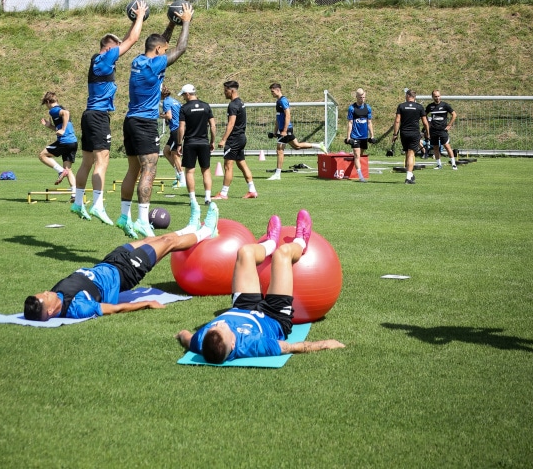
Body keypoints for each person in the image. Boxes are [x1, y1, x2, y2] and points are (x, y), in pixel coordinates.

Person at [176, 209, 345, 362]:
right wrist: (326, 344)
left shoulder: (201, 340)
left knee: (244, 252)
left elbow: (187, 338)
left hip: (242, 307)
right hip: (274, 316)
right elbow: (292, 347)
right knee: (283, 254)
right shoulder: (253, 345)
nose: (218, 324)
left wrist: (181, 334)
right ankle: (301, 242)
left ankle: (270, 243)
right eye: (222, 327)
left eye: (214, 326)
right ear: (233, 343)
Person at [24, 203, 219, 321]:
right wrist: (146, 304)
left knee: (150, 240)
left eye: (43, 292)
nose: (47, 292)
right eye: (45, 297)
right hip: (124, 274)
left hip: (109, 262)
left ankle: (190, 228)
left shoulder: (55, 294)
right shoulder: (78, 308)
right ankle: (206, 231)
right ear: (50, 310)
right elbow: (114, 308)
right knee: (167, 244)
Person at [118, 3, 193, 240]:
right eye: (163, 49)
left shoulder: (139, 61)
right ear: (159, 50)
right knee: (149, 169)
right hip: (145, 122)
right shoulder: (155, 64)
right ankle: (142, 220)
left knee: (133, 170)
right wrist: (187, 21)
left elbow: (163, 45)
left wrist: (172, 23)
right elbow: (181, 48)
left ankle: (124, 216)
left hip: (129, 120)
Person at [72, 4, 147, 226]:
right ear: (108, 48)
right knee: (101, 161)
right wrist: (141, 16)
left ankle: (78, 202)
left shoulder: (100, 60)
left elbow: (124, 42)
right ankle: (97, 204)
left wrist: (133, 22)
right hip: (98, 116)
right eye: (116, 49)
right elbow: (131, 41)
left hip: (89, 115)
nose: (119, 53)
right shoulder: (104, 59)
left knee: (86, 162)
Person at [267, 83, 325, 181]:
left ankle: (277, 174)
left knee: (280, 150)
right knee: (297, 146)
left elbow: (288, 115)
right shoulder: (278, 101)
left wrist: (284, 130)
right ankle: (318, 145)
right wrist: (275, 132)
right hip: (282, 130)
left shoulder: (283, 100)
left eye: (272, 91)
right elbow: (278, 118)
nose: (271, 93)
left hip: (286, 130)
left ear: (277, 90)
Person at [176, 84, 216, 223]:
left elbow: (182, 127)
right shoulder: (206, 106)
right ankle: (207, 197)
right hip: (204, 142)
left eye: (183, 95)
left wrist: (179, 143)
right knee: (206, 171)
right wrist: (212, 141)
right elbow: (213, 125)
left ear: (188, 94)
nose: (183, 98)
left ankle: (193, 199)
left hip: (190, 143)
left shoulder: (184, 108)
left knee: (190, 172)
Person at [214, 80, 258, 200]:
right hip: (241, 137)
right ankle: (252, 190)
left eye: (225, 90)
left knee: (228, 166)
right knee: (241, 163)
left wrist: (223, 139)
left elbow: (231, 124)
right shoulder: (241, 103)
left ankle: (223, 193)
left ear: (232, 90)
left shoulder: (233, 105)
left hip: (234, 139)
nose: (224, 93)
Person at [39, 92, 77, 197]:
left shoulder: (54, 110)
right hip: (73, 142)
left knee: (42, 155)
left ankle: (60, 171)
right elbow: (58, 129)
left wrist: (63, 130)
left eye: (45, 104)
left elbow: (66, 113)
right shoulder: (59, 110)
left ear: (47, 102)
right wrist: (50, 126)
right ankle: (75, 195)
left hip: (64, 142)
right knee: (68, 169)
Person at [391, 89, 430, 184]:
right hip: (414, 133)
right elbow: (425, 122)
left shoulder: (401, 106)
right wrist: (427, 133)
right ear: (414, 97)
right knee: (411, 154)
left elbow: (397, 121)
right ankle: (408, 177)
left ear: (408, 96)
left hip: (404, 133)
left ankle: (410, 174)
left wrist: (395, 134)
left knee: (407, 153)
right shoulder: (419, 107)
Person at [425, 90, 458, 170]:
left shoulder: (445, 105)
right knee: (435, 147)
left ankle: (453, 164)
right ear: (432, 97)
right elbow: (424, 115)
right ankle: (439, 165)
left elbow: (454, 114)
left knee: (447, 146)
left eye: (438, 96)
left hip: (443, 130)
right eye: (435, 96)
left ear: (440, 96)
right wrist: (428, 123)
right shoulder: (430, 106)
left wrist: (449, 125)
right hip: (433, 130)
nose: (437, 98)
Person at [160, 84, 185, 188]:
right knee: (166, 151)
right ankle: (178, 175)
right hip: (177, 129)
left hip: (176, 129)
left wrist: (159, 115)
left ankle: (183, 179)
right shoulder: (174, 100)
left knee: (175, 154)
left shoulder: (166, 102)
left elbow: (169, 116)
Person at [346, 89, 374, 182]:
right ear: (356, 97)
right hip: (355, 136)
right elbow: (350, 123)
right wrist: (348, 137)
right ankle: (361, 176)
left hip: (364, 136)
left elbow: (369, 122)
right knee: (357, 156)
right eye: (360, 97)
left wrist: (372, 135)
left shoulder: (368, 108)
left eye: (363, 97)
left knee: (360, 155)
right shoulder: (352, 108)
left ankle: (355, 168)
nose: (362, 99)